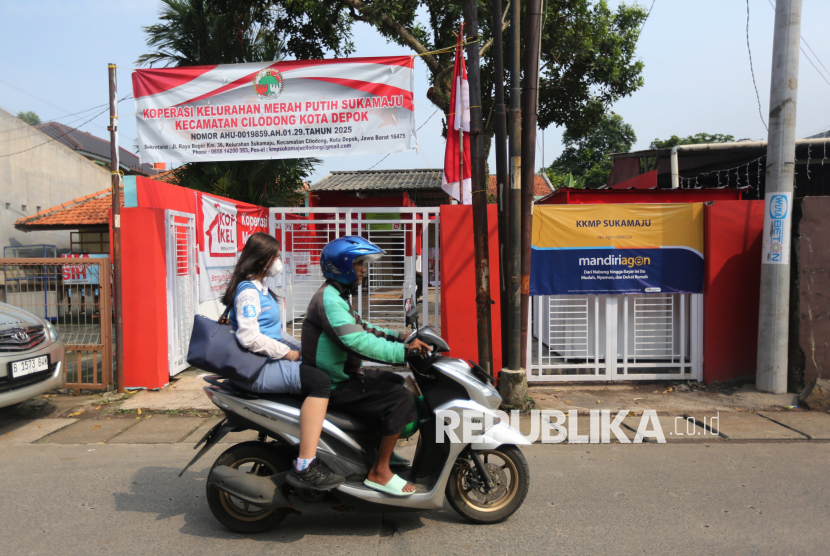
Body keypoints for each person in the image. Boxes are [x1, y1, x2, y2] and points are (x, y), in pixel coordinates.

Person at [302, 236, 431, 496]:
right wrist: (403, 353)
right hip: (334, 382)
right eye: (359, 263)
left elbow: (363, 328)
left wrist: (401, 337)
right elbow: (356, 341)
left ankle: (378, 451)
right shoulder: (329, 299)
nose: (364, 269)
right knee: (400, 399)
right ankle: (379, 471)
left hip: (343, 374)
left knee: (396, 381)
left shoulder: (336, 296)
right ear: (342, 266)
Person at [222, 232, 344, 491]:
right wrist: (288, 354)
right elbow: (249, 337)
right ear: (263, 259)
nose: (280, 261)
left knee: (319, 368)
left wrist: (305, 350)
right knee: (319, 382)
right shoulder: (248, 292)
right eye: (276, 256)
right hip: (255, 369)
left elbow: (277, 333)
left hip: (265, 362)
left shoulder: (262, 289)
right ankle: (306, 463)